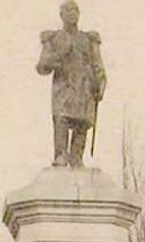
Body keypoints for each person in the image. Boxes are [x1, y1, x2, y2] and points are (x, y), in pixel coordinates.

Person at [36, 1, 105, 168]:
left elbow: (98, 64)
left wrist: (99, 83)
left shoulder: (88, 39)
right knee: (61, 118)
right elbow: (42, 67)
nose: (72, 14)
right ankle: (61, 154)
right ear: (61, 15)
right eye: (68, 11)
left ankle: (76, 156)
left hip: (84, 86)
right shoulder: (53, 38)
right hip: (64, 85)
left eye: (75, 11)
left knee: (82, 122)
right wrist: (58, 56)